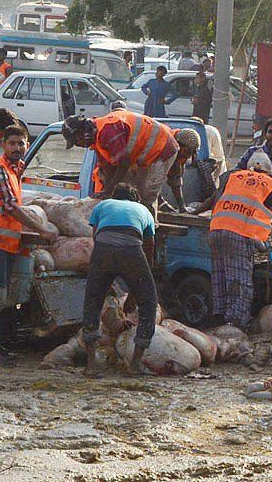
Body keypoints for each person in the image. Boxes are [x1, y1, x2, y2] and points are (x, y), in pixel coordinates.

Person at [0, 125, 57, 364]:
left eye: (21, 144)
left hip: (5, 243)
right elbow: (10, 207)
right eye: (12, 143)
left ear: (27, 146)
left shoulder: (14, 170)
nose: (17, 148)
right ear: (3, 145)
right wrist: (42, 229)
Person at [80, 184, 160, 376]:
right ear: (135, 200)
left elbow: (97, 238)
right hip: (132, 249)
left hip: (103, 250)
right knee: (149, 303)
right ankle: (134, 364)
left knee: (92, 302)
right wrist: (136, 290)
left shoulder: (103, 205)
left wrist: (102, 279)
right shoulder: (144, 210)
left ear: (115, 196)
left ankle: (91, 365)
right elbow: (149, 248)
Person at [200, 151, 272, 329]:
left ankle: (219, 316)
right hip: (237, 234)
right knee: (239, 279)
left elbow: (217, 200)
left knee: (220, 276)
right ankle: (236, 322)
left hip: (216, 229)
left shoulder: (233, 177)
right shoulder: (268, 184)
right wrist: (261, 243)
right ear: (268, 172)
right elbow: (262, 217)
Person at [61, 111, 180, 214]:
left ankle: (149, 232)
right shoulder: (96, 138)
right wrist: (107, 191)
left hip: (162, 148)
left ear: (80, 133)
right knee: (130, 191)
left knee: (146, 195)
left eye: (76, 142)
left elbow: (124, 162)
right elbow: (107, 167)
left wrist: (109, 190)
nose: (78, 145)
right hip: (143, 154)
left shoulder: (108, 130)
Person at [162, 128, 204, 212]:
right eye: (187, 151)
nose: (188, 156)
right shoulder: (163, 148)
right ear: (178, 145)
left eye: (191, 153)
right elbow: (150, 184)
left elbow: (175, 179)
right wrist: (162, 204)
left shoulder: (181, 156)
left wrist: (181, 206)